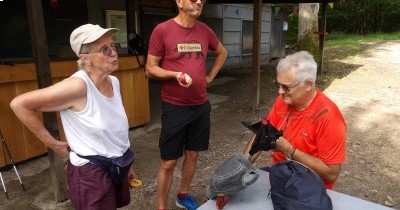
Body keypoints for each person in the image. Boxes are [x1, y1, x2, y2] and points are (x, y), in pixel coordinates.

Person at [10, 24, 138, 210]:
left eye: (113, 46)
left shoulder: (113, 81)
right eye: (104, 49)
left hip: (116, 164)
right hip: (91, 173)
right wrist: (53, 144)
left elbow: (115, 128)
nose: (113, 53)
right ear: (85, 58)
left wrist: (127, 165)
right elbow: (19, 104)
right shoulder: (77, 86)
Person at [145, 0, 227, 209]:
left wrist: (209, 77)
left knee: (193, 154)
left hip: (200, 105)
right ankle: (161, 206)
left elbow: (222, 53)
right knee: (169, 161)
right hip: (174, 107)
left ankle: (182, 195)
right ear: (179, 2)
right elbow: (150, 69)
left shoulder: (205, 30)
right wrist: (175, 74)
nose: (199, 2)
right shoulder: (162, 30)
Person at [243, 51, 346, 190]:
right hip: (280, 174)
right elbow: (262, 133)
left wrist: (290, 151)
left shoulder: (329, 118)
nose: (280, 92)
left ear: (308, 84)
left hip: (309, 187)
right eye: (278, 84)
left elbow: (331, 174)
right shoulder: (284, 100)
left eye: (286, 87)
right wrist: (240, 169)